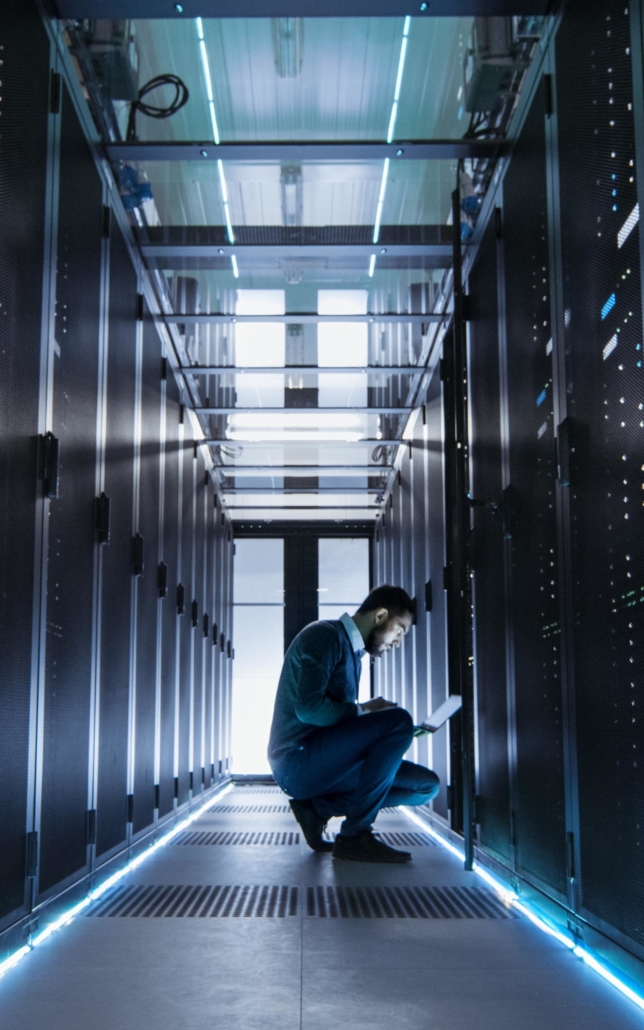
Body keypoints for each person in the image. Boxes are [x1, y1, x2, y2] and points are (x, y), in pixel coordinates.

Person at [267, 585, 440, 863]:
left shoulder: (353, 653)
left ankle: (317, 809)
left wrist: (366, 716)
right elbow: (309, 710)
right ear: (381, 615)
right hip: (296, 762)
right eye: (399, 630)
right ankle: (355, 835)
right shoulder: (324, 636)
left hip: (321, 762)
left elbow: (339, 719)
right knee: (398, 721)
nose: (398, 642)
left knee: (425, 786)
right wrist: (363, 712)